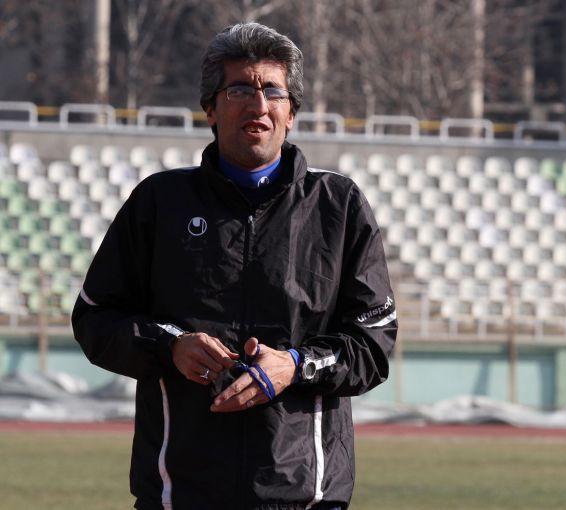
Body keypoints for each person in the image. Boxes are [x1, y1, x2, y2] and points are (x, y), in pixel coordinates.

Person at [72, 22, 397, 510]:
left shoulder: (338, 205)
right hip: (180, 494)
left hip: (304, 495)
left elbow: (373, 342)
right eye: (240, 89)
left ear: (292, 113)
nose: (258, 105)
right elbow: (95, 318)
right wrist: (170, 345)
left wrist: (296, 365)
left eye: (273, 91)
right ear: (211, 108)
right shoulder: (160, 202)